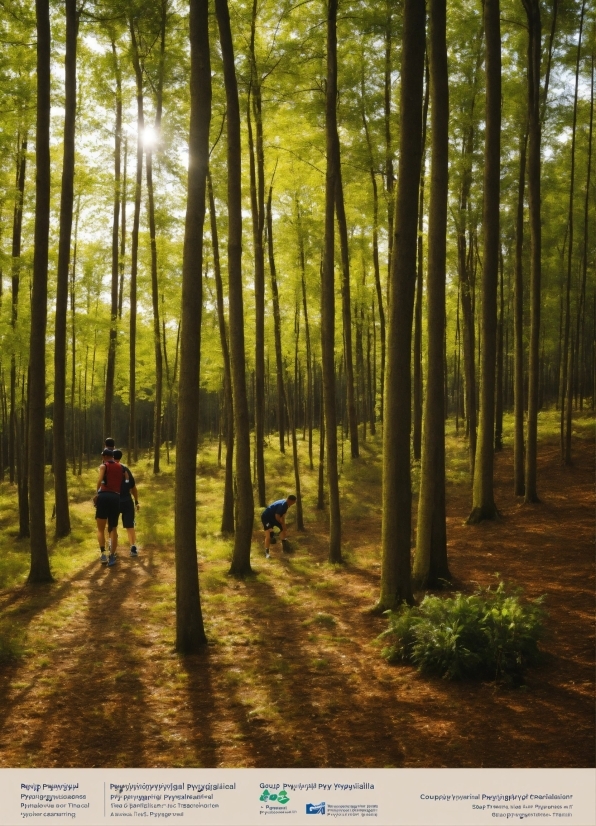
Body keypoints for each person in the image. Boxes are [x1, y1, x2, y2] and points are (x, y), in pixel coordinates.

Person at [95, 448, 125, 567]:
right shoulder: (120, 467)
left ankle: (103, 554)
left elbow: (100, 480)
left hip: (104, 496)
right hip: (116, 497)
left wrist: (97, 492)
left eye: (102, 456)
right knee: (113, 528)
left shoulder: (104, 466)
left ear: (105, 456)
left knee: (100, 528)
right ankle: (112, 556)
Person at [112, 449, 140, 557]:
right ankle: (133, 547)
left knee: (112, 526)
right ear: (120, 457)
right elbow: (134, 488)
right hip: (127, 501)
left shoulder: (109, 469)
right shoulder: (126, 469)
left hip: (114, 501)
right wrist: (137, 501)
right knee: (130, 526)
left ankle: (111, 548)